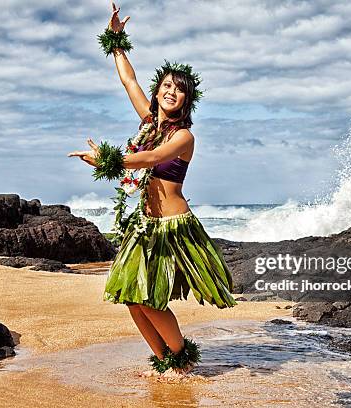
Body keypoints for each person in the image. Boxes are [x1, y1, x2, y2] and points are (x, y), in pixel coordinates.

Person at [68, 1, 236, 378]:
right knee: (130, 297)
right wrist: (116, 40)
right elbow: (128, 80)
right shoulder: (148, 122)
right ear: (158, 91)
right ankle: (166, 361)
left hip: (172, 230)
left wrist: (106, 161)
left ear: (186, 99)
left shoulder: (183, 136)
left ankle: (183, 361)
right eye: (166, 86)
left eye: (179, 89)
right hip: (144, 224)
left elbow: (150, 159)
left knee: (151, 298)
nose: (171, 92)